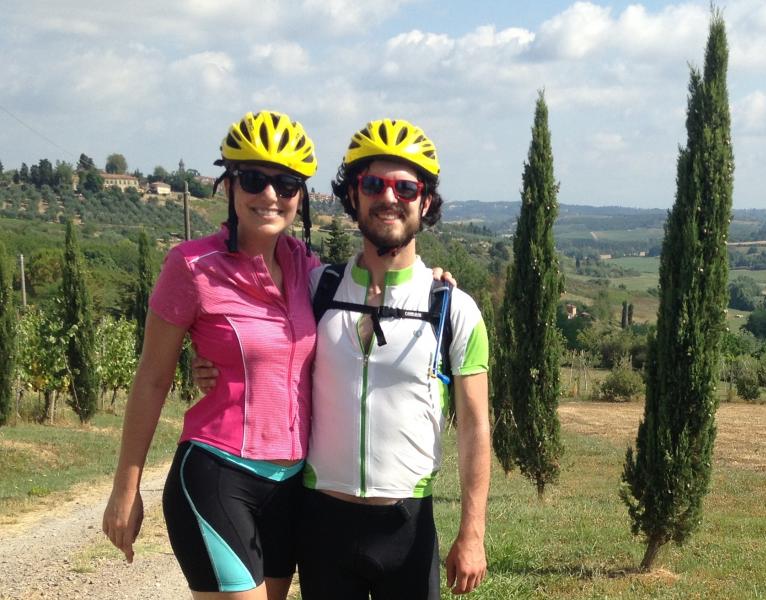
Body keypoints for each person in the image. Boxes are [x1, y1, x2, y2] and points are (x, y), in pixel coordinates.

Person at [196, 118, 491, 598]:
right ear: (352, 196)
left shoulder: (452, 308)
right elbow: (251, 338)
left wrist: (472, 532)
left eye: (406, 186)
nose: (388, 197)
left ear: (427, 201)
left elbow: (477, 426)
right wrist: (207, 359)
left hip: (407, 527)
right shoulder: (315, 286)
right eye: (372, 184)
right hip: (322, 525)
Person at [102, 110, 320, 600]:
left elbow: (366, 295)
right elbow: (152, 378)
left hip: (291, 485)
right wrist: (125, 488)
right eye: (254, 179)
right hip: (217, 474)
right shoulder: (191, 266)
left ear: (300, 196)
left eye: (286, 185)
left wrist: (428, 281)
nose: (270, 195)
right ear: (229, 186)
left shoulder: (308, 269)